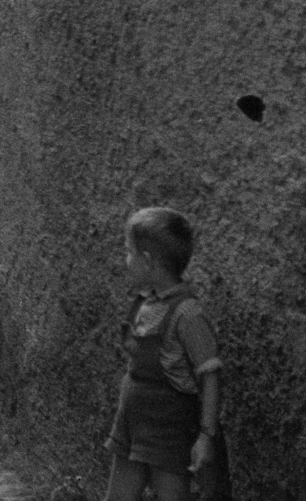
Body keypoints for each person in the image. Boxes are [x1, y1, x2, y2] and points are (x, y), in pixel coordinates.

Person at [104, 207, 224, 501]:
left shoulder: (187, 314)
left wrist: (205, 437)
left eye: (129, 252)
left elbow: (210, 376)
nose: (125, 260)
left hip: (169, 432)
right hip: (133, 425)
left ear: (148, 261)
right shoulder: (145, 304)